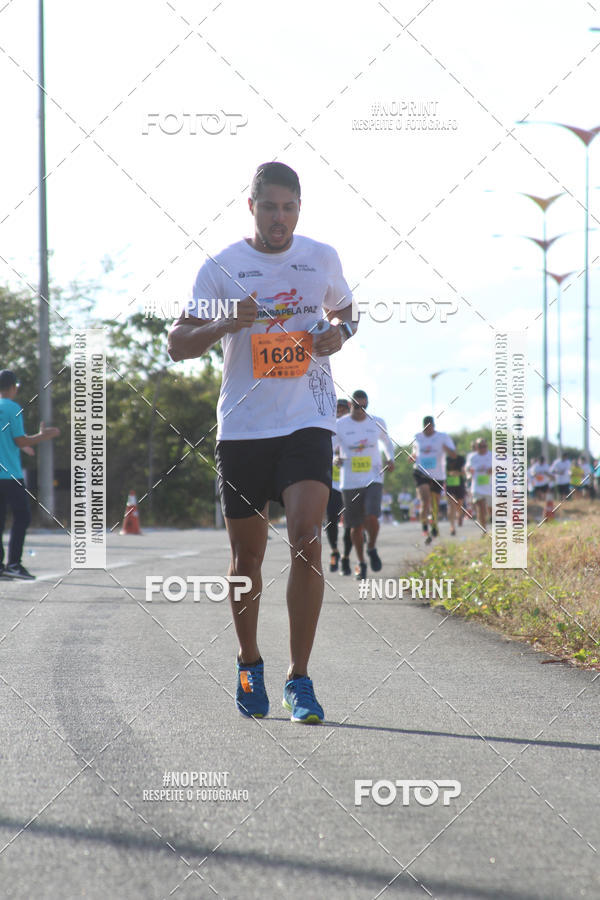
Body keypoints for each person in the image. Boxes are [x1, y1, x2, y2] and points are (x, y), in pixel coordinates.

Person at [167, 162, 357, 724]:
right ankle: (250, 662)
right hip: (245, 428)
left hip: (308, 419)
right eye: (270, 206)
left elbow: (345, 310)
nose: (280, 217)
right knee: (247, 555)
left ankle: (301, 679)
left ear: (300, 208)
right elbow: (177, 343)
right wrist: (225, 323)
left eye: (289, 207)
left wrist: (338, 334)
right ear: (251, 206)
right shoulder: (222, 266)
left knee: (305, 537)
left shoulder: (321, 257)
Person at [0, 370, 60, 579]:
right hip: (10, 475)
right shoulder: (13, 407)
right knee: (22, 517)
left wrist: (22, 445)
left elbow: (8, 439)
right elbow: (20, 440)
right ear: (13, 387)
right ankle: (14, 564)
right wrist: (43, 436)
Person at [334, 390, 394, 580]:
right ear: (351, 405)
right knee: (355, 527)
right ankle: (361, 562)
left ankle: (372, 547)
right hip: (350, 481)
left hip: (373, 477)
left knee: (372, 516)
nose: (361, 411)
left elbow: (387, 442)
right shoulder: (339, 425)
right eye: (358, 407)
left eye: (365, 407)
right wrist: (335, 458)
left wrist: (390, 458)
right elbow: (331, 448)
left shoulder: (377, 421)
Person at [410, 415, 456, 544]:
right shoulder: (417, 437)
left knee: (435, 502)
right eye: (426, 429)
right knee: (425, 500)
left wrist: (445, 448)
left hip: (437, 475)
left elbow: (454, 454)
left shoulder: (442, 437)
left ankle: (434, 524)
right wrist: (412, 457)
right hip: (420, 472)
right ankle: (424, 525)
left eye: (430, 428)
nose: (428, 431)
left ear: (434, 426)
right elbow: (415, 453)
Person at [325, 398, 352, 574]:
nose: (340, 413)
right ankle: (334, 551)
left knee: (350, 523)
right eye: (337, 410)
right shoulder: (328, 429)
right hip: (332, 483)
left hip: (352, 482)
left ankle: (346, 557)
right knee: (331, 521)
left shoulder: (353, 429)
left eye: (343, 410)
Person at [468, 438, 493, 533]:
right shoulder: (472, 457)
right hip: (477, 487)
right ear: (476, 447)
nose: (482, 448)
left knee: (491, 509)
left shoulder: (492, 456)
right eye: (480, 446)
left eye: (484, 446)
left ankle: (491, 518)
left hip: (490, 487)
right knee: (480, 508)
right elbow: (467, 469)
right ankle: (484, 530)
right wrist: (469, 472)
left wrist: (493, 470)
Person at [445, 450, 467, 535]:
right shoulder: (445, 459)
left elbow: (465, 471)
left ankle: (460, 514)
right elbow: (441, 471)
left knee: (459, 503)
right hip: (449, 484)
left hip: (460, 483)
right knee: (451, 504)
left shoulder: (461, 459)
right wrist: (449, 473)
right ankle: (452, 527)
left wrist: (458, 473)